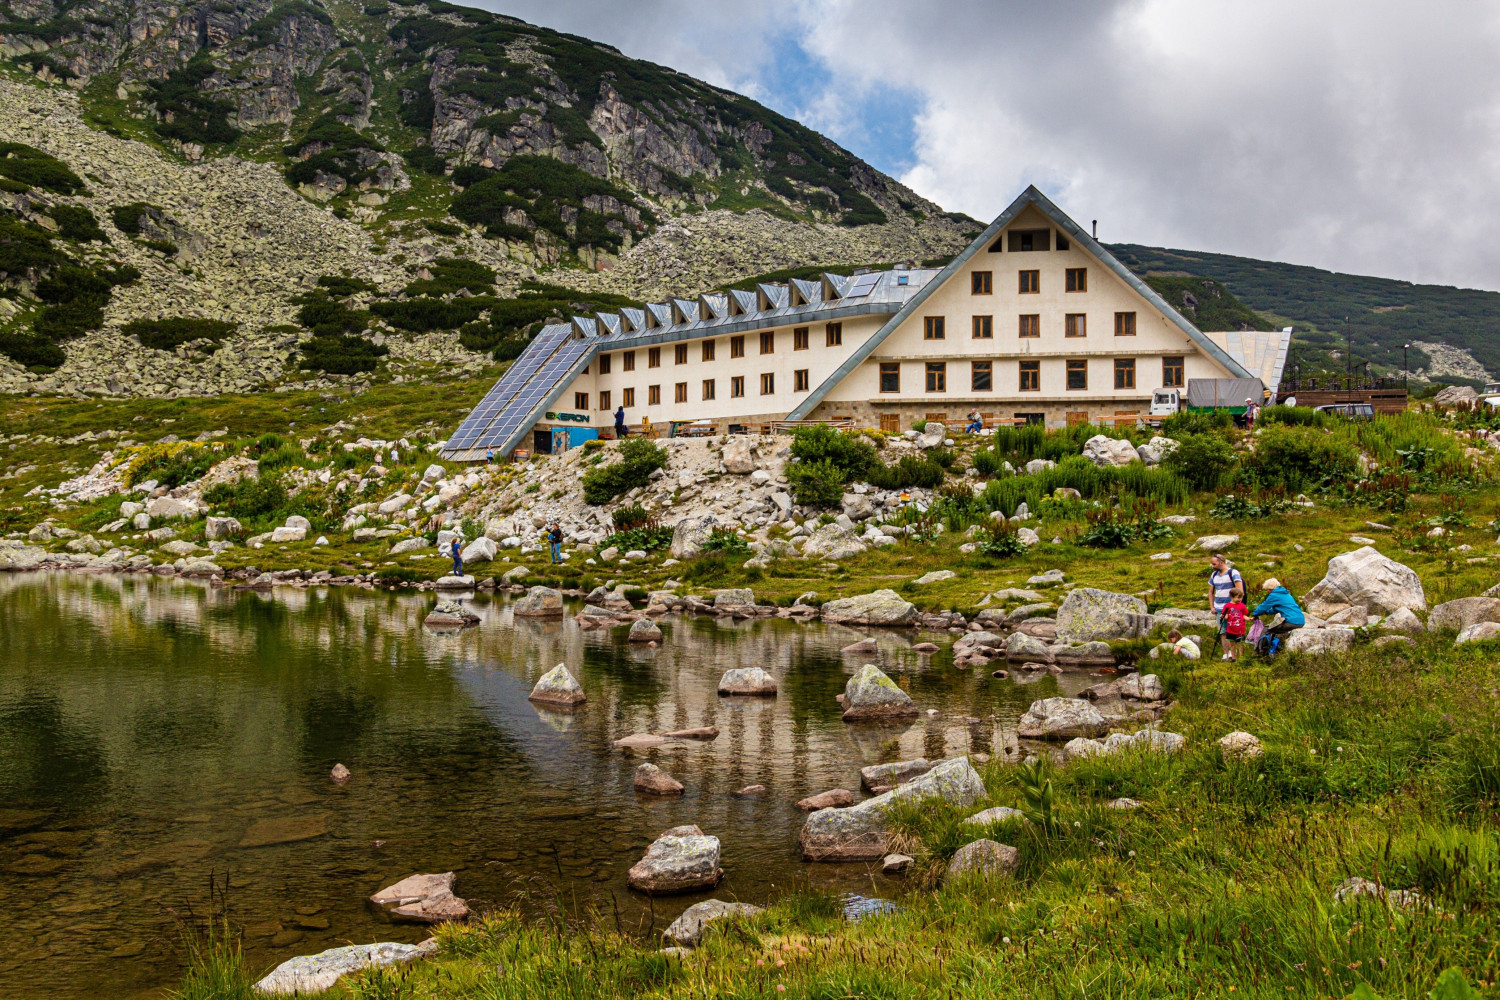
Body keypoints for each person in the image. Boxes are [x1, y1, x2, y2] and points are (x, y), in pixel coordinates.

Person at [1251, 577, 1305, 654]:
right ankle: (1271, 649)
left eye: (1268, 590)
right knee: (1273, 629)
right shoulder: (1285, 594)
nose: (1268, 592)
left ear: (1270, 589)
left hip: (1291, 622)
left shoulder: (1274, 595)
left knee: (1267, 629)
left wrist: (1254, 614)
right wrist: (1266, 612)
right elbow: (1276, 609)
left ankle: (1259, 651)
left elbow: (1264, 606)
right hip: (1300, 621)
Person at [1208, 552, 1243, 652]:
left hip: (1232, 608)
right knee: (1223, 632)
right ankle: (1226, 654)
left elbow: (1240, 591)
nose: (1212, 566)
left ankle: (1237, 654)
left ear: (1222, 562)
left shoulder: (1233, 573)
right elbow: (1211, 592)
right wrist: (1212, 606)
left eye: (1214, 564)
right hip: (1219, 609)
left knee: (1235, 631)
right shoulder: (1214, 574)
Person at [1221, 593, 1249, 661]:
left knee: (1240, 643)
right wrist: (1224, 616)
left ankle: (1241, 657)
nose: (1240, 599)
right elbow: (1224, 614)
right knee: (1232, 643)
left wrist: (1248, 619)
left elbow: (1244, 615)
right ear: (1232, 597)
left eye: (1241, 598)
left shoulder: (1242, 605)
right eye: (1238, 598)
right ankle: (1233, 658)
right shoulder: (1227, 606)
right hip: (1230, 629)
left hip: (1240, 629)